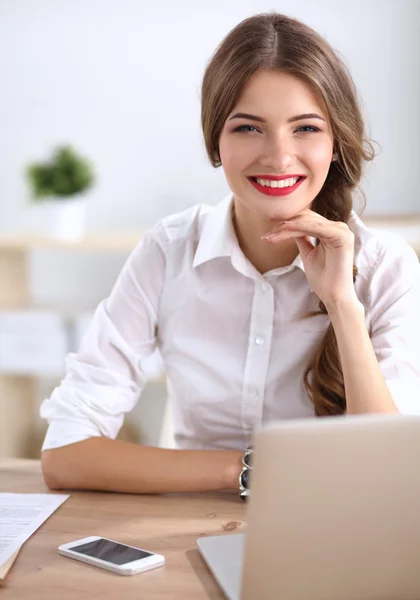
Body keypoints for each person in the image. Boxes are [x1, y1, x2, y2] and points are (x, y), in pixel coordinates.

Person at [40, 12, 420, 498]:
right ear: (215, 140)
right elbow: (65, 452)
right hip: (189, 538)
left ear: (335, 144)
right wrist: (249, 469)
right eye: (248, 128)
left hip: (336, 535)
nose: (279, 157)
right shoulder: (169, 251)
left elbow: (387, 473)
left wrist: (342, 304)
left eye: (305, 128)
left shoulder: (388, 267)